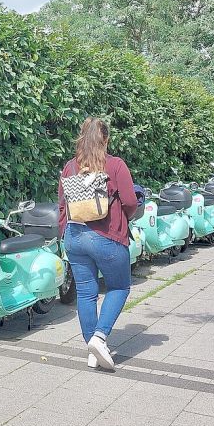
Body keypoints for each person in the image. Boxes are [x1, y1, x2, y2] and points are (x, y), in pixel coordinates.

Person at [58, 117, 138, 370]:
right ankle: (100, 337)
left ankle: (92, 348)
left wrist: (65, 234)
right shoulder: (114, 165)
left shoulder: (70, 167)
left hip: (75, 237)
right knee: (119, 287)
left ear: (81, 137)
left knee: (86, 293)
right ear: (106, 139)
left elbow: (62, 205)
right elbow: (130, 201)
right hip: (107, 237)